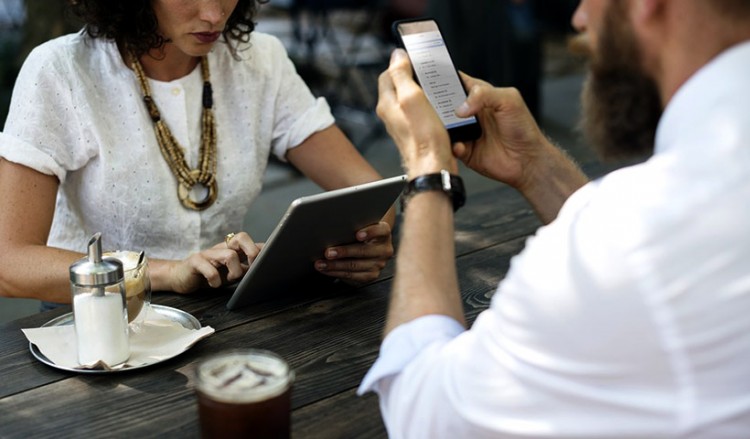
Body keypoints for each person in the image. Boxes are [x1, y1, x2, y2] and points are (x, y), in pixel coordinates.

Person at [359, 0, 750, 437]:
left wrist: (428, 170)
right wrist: (535, 166)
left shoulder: (640, 240)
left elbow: (427, 413)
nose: (580, 18)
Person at [0, 0, 395, 306]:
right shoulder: (62, 71)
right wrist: (168, 273)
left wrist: (363, 242)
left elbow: (371, 194)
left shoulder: (259, 60)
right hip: (96, 331)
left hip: (224, 319)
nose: (214, 14)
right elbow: (10, 263)